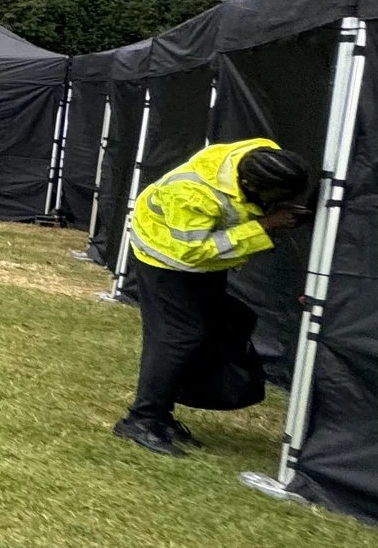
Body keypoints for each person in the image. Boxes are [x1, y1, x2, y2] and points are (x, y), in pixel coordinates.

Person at [115, 140, 314, 456]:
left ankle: (160, 414)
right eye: (274, 198)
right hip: (167, 256)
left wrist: (276, 212)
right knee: (177, 337)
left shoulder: (263, 158)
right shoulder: (191, 193)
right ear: (250, 184)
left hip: (203, 260)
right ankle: (141, 419)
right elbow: (193, 251)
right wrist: (264, 225)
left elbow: (238, 211)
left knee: (217, 326)